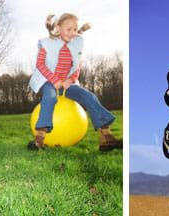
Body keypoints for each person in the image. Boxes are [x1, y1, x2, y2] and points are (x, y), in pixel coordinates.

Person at [27, 13, 122, 151]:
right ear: (58, 28)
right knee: (50, 98)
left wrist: (70, 80)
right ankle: (40, 139)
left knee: (89, 96)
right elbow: (40, 65)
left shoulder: (75, 46)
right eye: (68, 29)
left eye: (74, 29)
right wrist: (54, 80)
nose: (72, 33)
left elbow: (77, 66)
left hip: (67, 84)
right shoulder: (47, 44)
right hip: (49, 81)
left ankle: (106, 138)